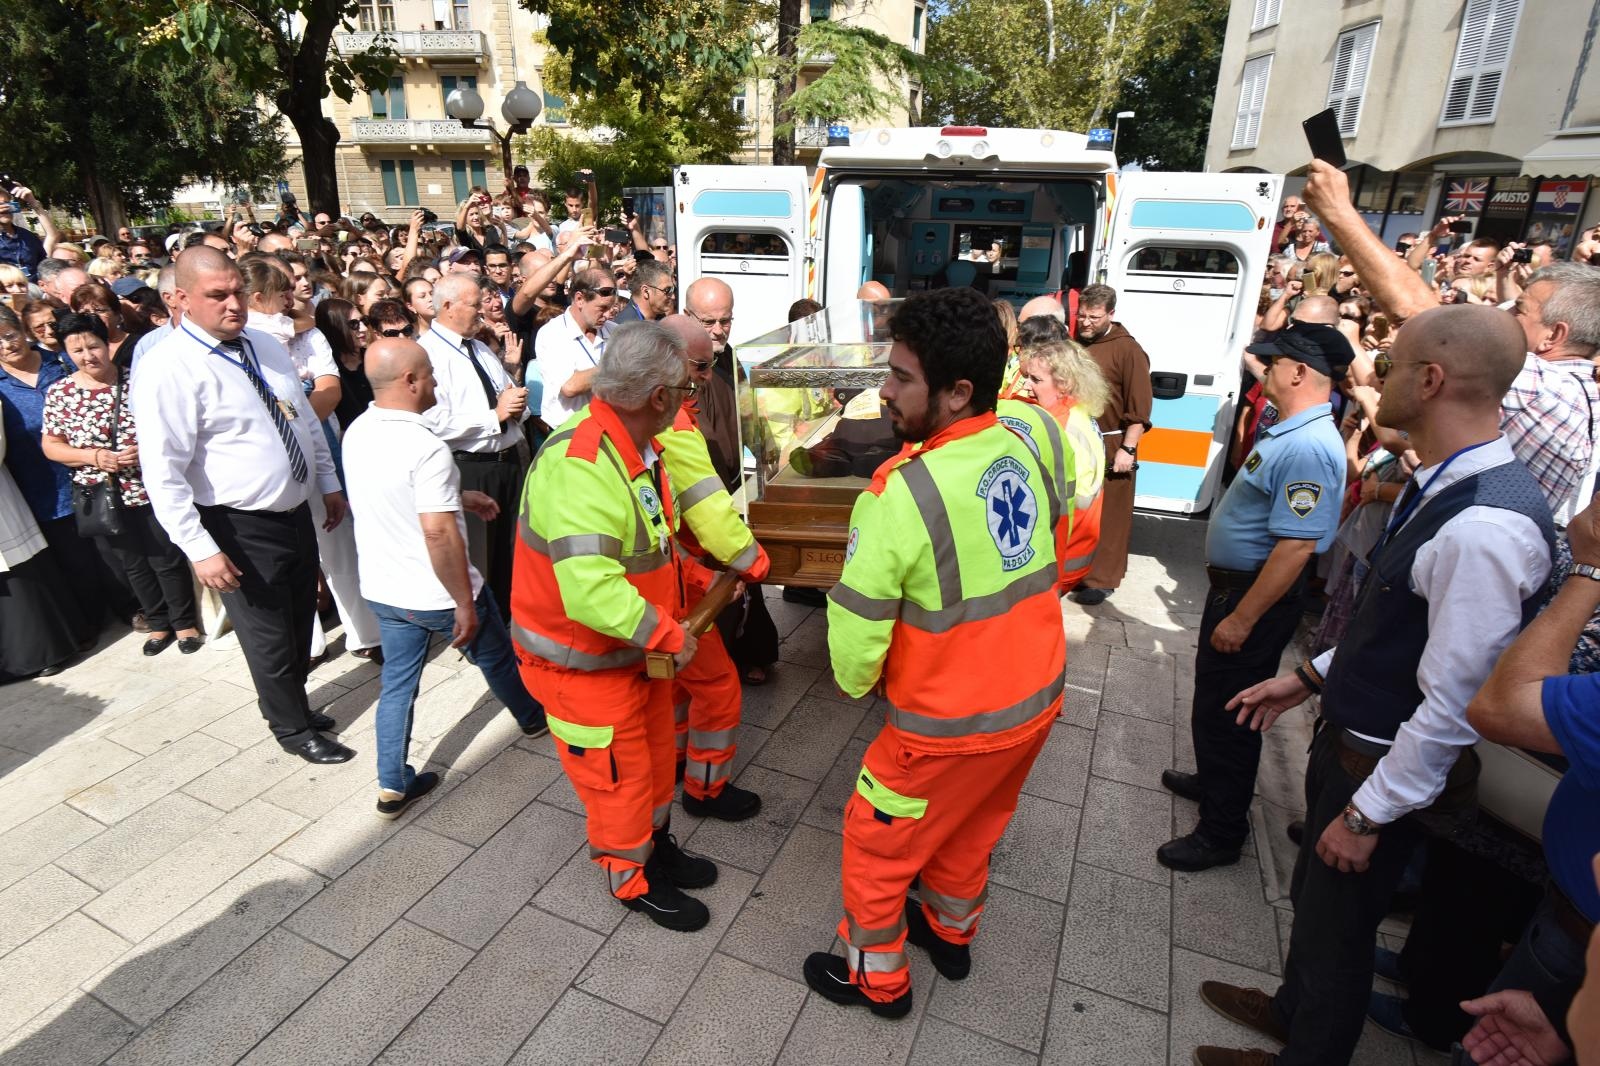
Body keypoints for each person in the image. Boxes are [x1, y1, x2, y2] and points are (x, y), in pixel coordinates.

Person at [1194, 305, 1555, 1066]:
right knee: (1320, 910)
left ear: (1431, 380)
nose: (1368, 377)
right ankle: (1294, 1011)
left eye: (1388, 367)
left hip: (1381, 763)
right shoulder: (1451, 482)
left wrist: (1367, 816)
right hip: (1358, 738)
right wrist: (1308, 678)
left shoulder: (1485, 523)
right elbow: (1404, 628)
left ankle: (1309, 1050)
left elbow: (1456, 700)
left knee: (1340, 927)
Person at [806, 287, 1066, 1017]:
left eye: (900, 378)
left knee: (876, 849)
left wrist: (858, 687)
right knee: (971, 830)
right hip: (1033, 702)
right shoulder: (1020, 444)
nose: (883, 392)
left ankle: (877, 980)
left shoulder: (901, 492)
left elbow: (857, 630)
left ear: (956, 392)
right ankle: (950, 936)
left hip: (942, 728)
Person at [511, 320, 719, 932]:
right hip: (583, 666)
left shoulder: (632, 447)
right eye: (685, 388)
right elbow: (593, 591)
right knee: (619, 784)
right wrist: (671, 634)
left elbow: (646, 550)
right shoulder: (584, 466)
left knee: (653, 765)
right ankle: (629, 877)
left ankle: (655, 848)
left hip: (630, 655)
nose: (690, 397)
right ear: (658, 398)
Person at [133, 247, 355, 765]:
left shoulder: (262, 343)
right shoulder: (169, 367)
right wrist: (199, 548)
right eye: (218, 296)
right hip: (236, 523)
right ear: (183, 299)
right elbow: (162, 472)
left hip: (295, 510)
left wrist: (326, 481)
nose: (234, 304)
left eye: (237, 290)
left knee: (302, 616)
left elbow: (301, 419)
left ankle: (294, 702)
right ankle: (290, 726)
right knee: (268, 632)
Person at [1157, 321, 1348, 873]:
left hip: (1251, 600)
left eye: (1272, 363)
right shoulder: (1294, 430)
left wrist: (1242, 618)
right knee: (1215, 703)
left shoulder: (1310, 445)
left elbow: (1294, 548)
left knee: (1233, 713)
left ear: (1298, 371)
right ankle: (1214, 784)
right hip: (1236, 593)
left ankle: (1221, 832)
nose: (1263, 372)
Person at [342, 338, 547, 818]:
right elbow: (437, 533)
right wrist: (464, 602)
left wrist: (461, 494)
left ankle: (392, 782)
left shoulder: (358, 430)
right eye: (430, 373)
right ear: (410, 381)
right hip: (436, 591)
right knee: (496, 657)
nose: (436, 381)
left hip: (384, 588)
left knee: (397, 684)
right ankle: (533, 719)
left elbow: (393, 490)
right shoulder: (426, 446)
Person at [658, 314, 771, 819]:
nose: (707, 376)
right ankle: (706, 789)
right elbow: (710, 512)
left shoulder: (624, 412)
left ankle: (680, 758)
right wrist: (756, 562)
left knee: (681, 684)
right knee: (719, 686)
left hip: (663, 576)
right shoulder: (674, 425)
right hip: (674, 581)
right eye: (700, 366)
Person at [41, 314, 201, 655]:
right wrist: (95, 456)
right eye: (77, 350)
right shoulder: (61, 393)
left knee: (165, 555)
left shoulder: (137, 381)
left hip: (149, 485)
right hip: (101, 494)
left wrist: (146, 450)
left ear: (107, 344)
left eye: (94, 346)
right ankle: (158, 624)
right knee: (132, 562)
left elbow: (172, 427)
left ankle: (185, 622)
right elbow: (51, 445)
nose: (87, 356)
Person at [685, 276, 781, 683]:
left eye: (726, 320)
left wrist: (770, 449)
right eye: (709, 321)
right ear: (688, 316)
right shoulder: (679, 362)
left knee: (737, 575)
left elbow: (747, 411)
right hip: (691, 492)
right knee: (710, 583)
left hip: (726, 487)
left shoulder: (727, 359)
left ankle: (752, 653)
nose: (719, 329)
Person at [418, 273, 530, 620]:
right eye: (474, 305)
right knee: (479, 555)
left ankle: (512, 621)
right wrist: (494, 415)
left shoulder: (480, 348)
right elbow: (434, 421)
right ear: (448, 306)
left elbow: (505, 395)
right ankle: (481, 628)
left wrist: (514, 403)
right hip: (471, 467)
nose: (482, 312)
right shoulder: (428, 354)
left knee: (513, 551)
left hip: (509, 459)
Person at [1072, 283, 1152, 605]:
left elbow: (1140, 408)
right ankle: (1079, 570)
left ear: (1110, 314)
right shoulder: (1077, 343)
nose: (1086, 322)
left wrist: (1128, 449)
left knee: (1111, 516)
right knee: (1085, 510)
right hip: (1081, 440)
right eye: (1082, 316)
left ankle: (1103, 579)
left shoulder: (1128, 350)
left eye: (1094, 316)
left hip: (1112, 444)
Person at [1013, 334, 1109, 590]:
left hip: (1061, 555)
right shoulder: (1079, 413)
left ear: (1064, 384)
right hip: (1075, 549)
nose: (1026, 386)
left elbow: (1049, 502)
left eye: (1036, 380)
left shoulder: (1061, 427)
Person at [533, 266, 615, 430]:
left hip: (609, 428)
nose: (607, 315)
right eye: (602, 308)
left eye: (611, 308)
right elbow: (570, 387)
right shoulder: (552, 333)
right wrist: (619, 367)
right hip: (570, 435)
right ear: (580, 299)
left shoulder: (616, 331)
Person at [0, 186, 60, 281]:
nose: (4, 208)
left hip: (34, 292)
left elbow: (53, 236)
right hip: (5, 294)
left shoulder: (27, 237)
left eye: (7, 203)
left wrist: (32, 202)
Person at [615, 259, 675, 324]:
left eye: (672, 289)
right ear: (646, 291)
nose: (673, 297)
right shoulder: (626, 327)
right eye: (667, 290)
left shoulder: (662, 319)